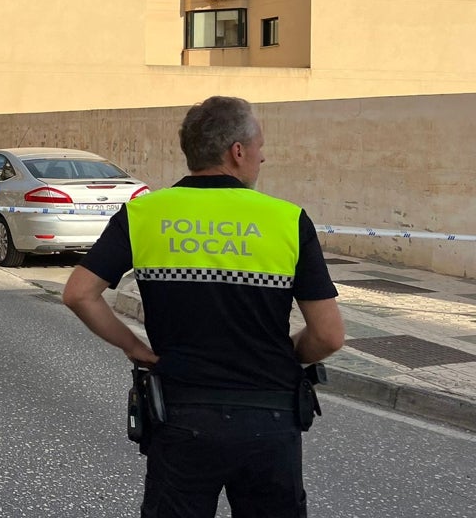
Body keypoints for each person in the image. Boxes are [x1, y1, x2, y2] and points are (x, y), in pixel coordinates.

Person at [63, 96, 344, 518]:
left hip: (181, 415)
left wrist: (134, 347)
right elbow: (328, 334)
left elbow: (79, 293)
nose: (262, 156)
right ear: (237, 151)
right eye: (259, 146)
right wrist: (286, 354)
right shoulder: (286, 220)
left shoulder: (143, 214)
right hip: (268, 419)